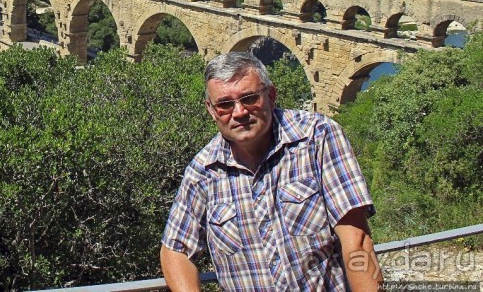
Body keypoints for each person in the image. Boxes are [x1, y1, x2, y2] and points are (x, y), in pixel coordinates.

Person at [160, 52, 382, 291]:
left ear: (271, 96)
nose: (239, 112)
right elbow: (175, 250)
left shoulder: (317, 137)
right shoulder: (203, 171)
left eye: (249, 99)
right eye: (225, 104)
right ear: (211, 110)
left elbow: (357, 240)